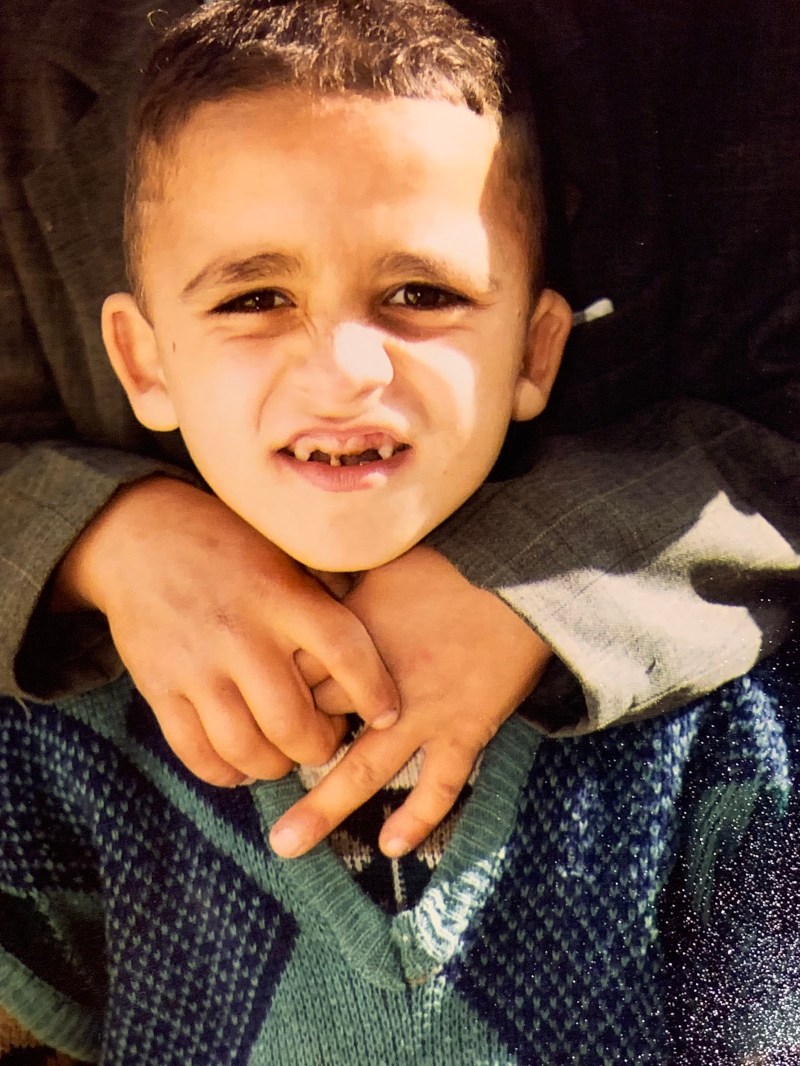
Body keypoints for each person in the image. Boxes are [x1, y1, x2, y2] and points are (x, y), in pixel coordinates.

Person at [1, 2, 799, 1063]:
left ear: (539, 347)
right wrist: (106, 539)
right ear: (141, 359)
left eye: (421, 294)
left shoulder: (725, 737)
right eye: (254, 299)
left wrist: (532, 573)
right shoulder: (61, 746)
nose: (344, 372)